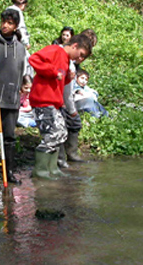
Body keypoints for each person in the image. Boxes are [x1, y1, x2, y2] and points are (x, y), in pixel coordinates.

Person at [28, 33, 92, 179]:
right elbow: (33, 59)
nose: (80, 59)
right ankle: (40, 171)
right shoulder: (56, 50)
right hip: (42, 100)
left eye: (83, 58)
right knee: (53, 133)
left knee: (61, 133)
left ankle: (53, 168)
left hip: (54, 102)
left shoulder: (66, 60)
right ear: (74, 46)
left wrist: (68, 79)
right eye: (80, 54)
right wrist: (53, 72)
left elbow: (60, 83)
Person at [58, 28, 98, 167]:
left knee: (74, 123)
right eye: (81, 55)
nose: (81, 59)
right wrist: (71, 108)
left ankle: (71, 154)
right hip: (58, 100)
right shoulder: (62, 56)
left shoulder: (73, 63)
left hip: (67, 98)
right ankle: (61, 159)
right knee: (61, 128)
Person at [0, 8, 26, 184]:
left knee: (9, 136)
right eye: (3, 22)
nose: (5, 26)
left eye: (10, 23)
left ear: (15, 26)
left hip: (12, 98)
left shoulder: (20, 48)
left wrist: (26, 81)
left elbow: (23, 68)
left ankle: (9, 171)